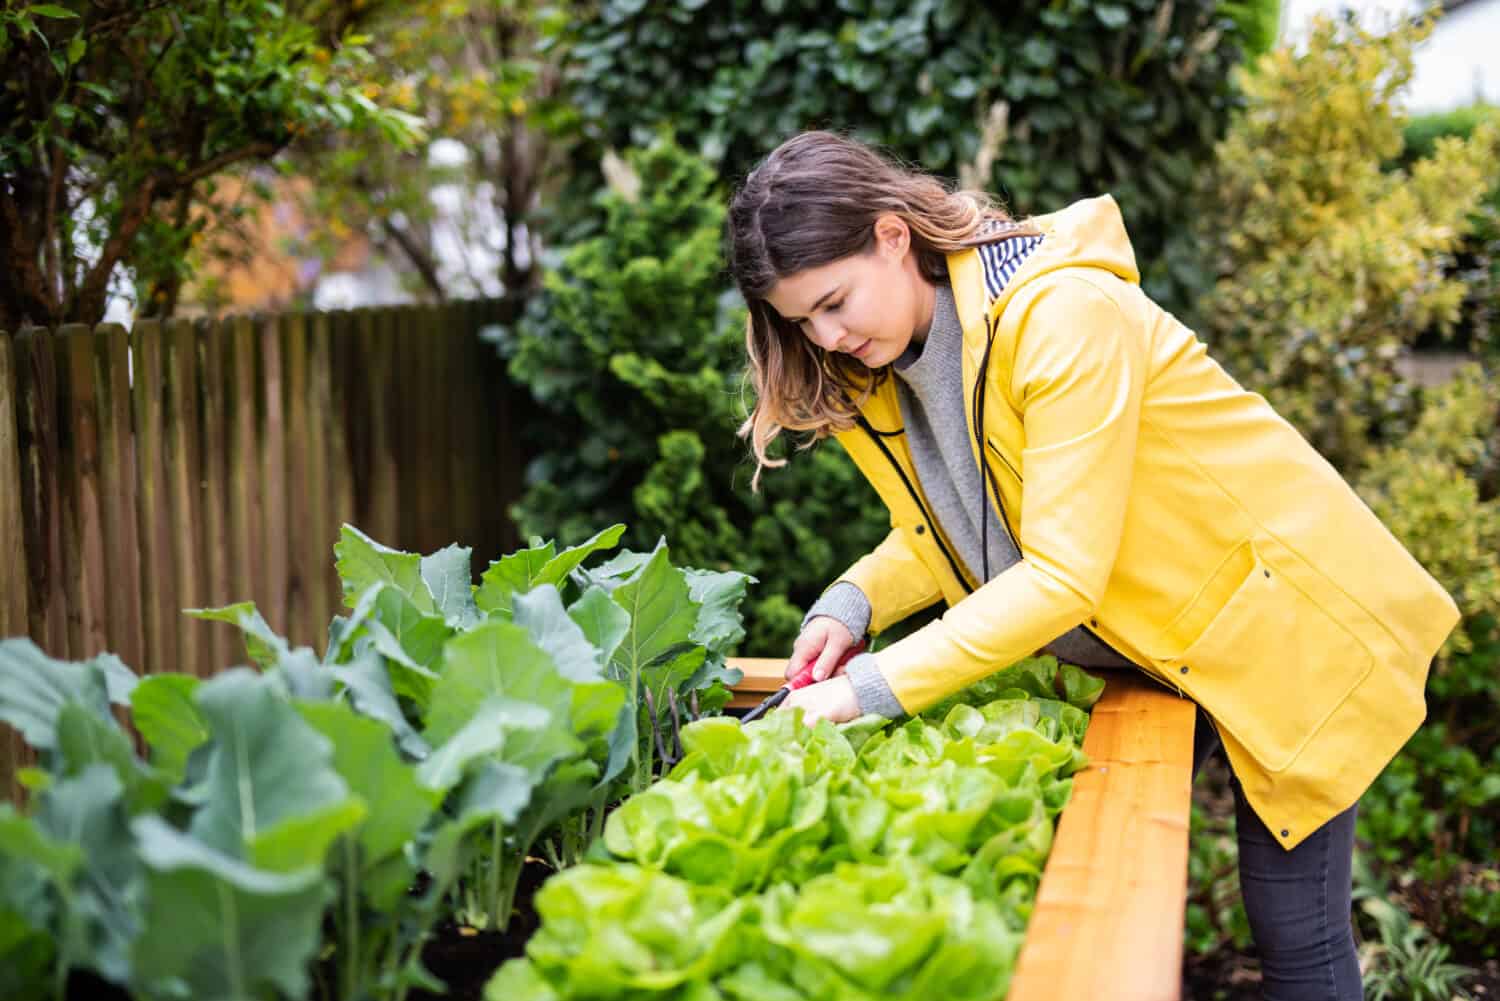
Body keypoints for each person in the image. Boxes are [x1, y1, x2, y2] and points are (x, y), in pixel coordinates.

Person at [725, 130, 1460, 1001]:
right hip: (1160, 642)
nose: (827, 335)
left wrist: (865, 689)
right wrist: (850, 605)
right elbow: (954, 527)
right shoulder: (899, 363)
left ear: (894, 236)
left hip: (1282, 625)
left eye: (834, 302)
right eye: (801, 319)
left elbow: (1061, 574)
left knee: (1296, 935)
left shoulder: (1060, 315)